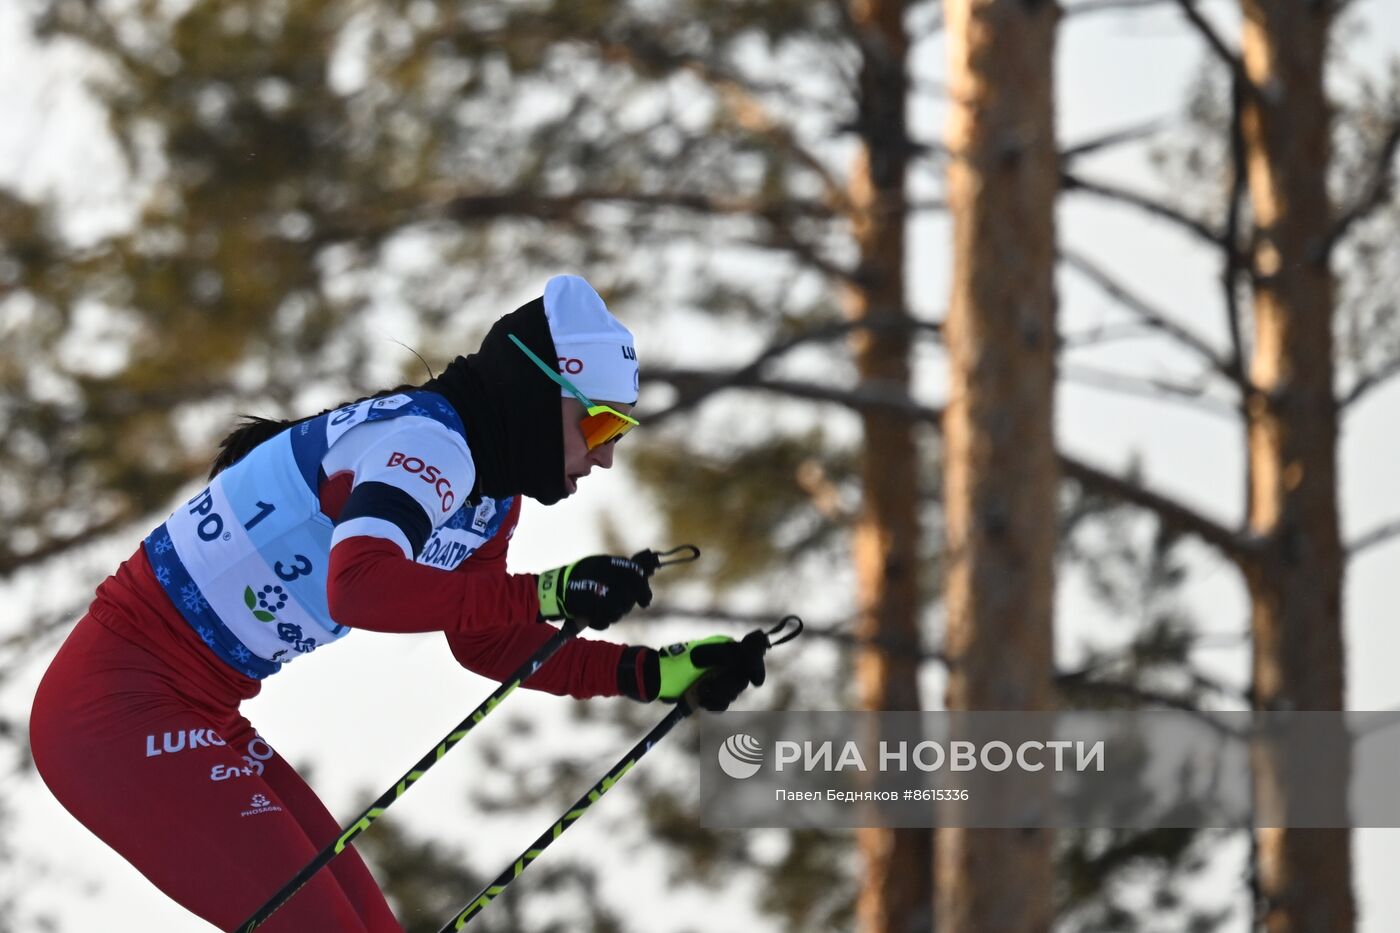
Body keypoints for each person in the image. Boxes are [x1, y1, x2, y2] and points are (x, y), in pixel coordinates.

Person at [28, 275, 767, 932]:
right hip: (116, 713)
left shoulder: (489, 498)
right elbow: (358, 583)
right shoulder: (429, 443)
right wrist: (552, 588)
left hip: (202, 711)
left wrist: (650, 673)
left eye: (620, 432)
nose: (605, 455)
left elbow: (485, 640)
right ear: (544, 395)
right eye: (601, 424)